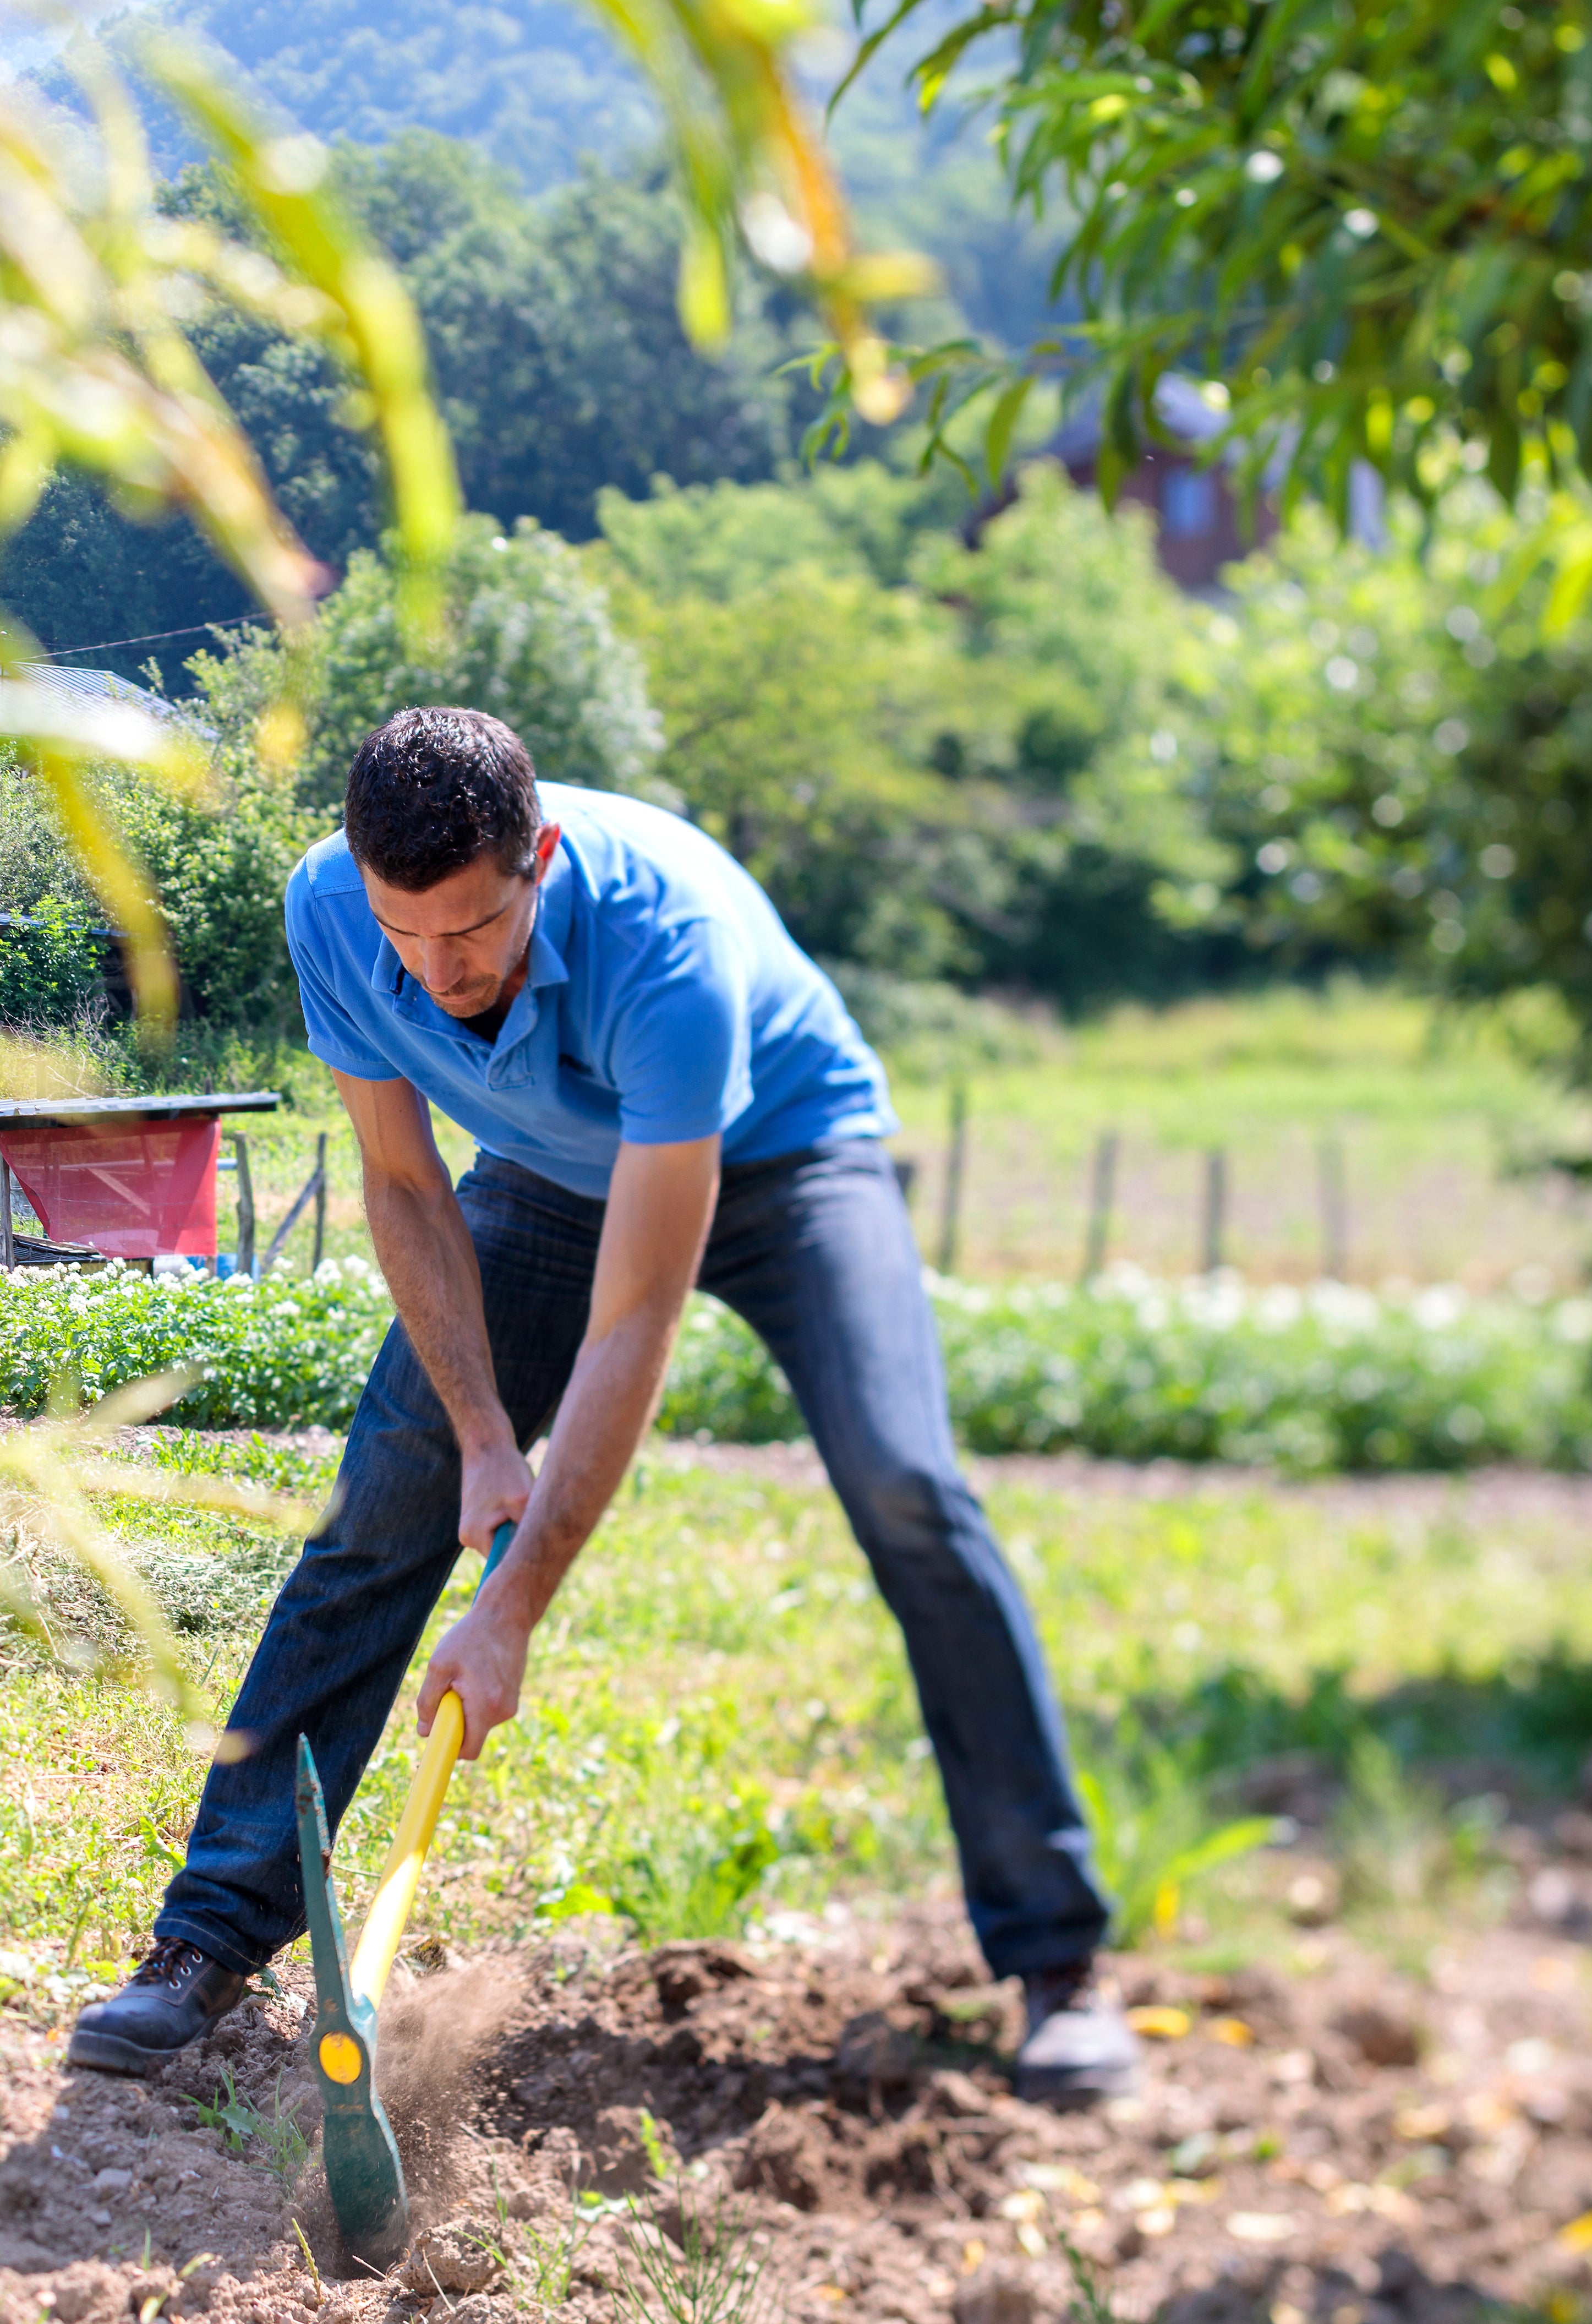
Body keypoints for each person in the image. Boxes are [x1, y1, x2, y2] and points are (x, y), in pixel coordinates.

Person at [64, 707, 1134, 2102]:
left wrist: (510, 1611)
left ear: (541, 861)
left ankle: (1058, 1958)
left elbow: (639, 1313)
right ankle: (206, 1937)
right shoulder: (335, 906)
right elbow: (399, 1181)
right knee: (379, 1508)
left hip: (785, 1159)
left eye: (472, 934)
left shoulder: (663, 941)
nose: (437, 974)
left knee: (907, 1489)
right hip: (549, 1173)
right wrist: (483, 1431)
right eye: (408, 935)